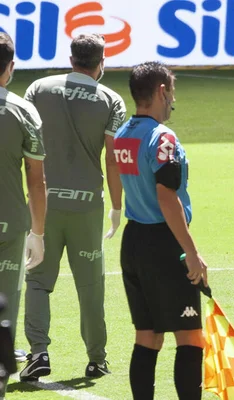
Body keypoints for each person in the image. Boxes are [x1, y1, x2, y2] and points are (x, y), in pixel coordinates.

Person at [20, 33, 126, 381]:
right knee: (91, 286)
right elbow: (113, 158)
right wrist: (116, 205)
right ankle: (97, 359)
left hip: (43, 204)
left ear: (71, 58)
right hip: (87, 206)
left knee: (37, 280)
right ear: (102, 60)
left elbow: (25, 145)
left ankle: (39, 353)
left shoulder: (38, 88)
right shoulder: (111, 99)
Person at [114, 61, 207, 399]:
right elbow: (167, 197)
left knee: (148, 335)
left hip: (134, 240)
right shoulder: (162, 137)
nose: (173, 101)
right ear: (161, 91)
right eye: (172, 92)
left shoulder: (124, 134)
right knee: (190, 334)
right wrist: (192, 253)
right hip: (164, 245)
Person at [0, 32, 46, 397]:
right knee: (5, 299)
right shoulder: (24, 110)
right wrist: (39, 233)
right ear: (10, 68)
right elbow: (36, 179)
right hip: (10, 221)